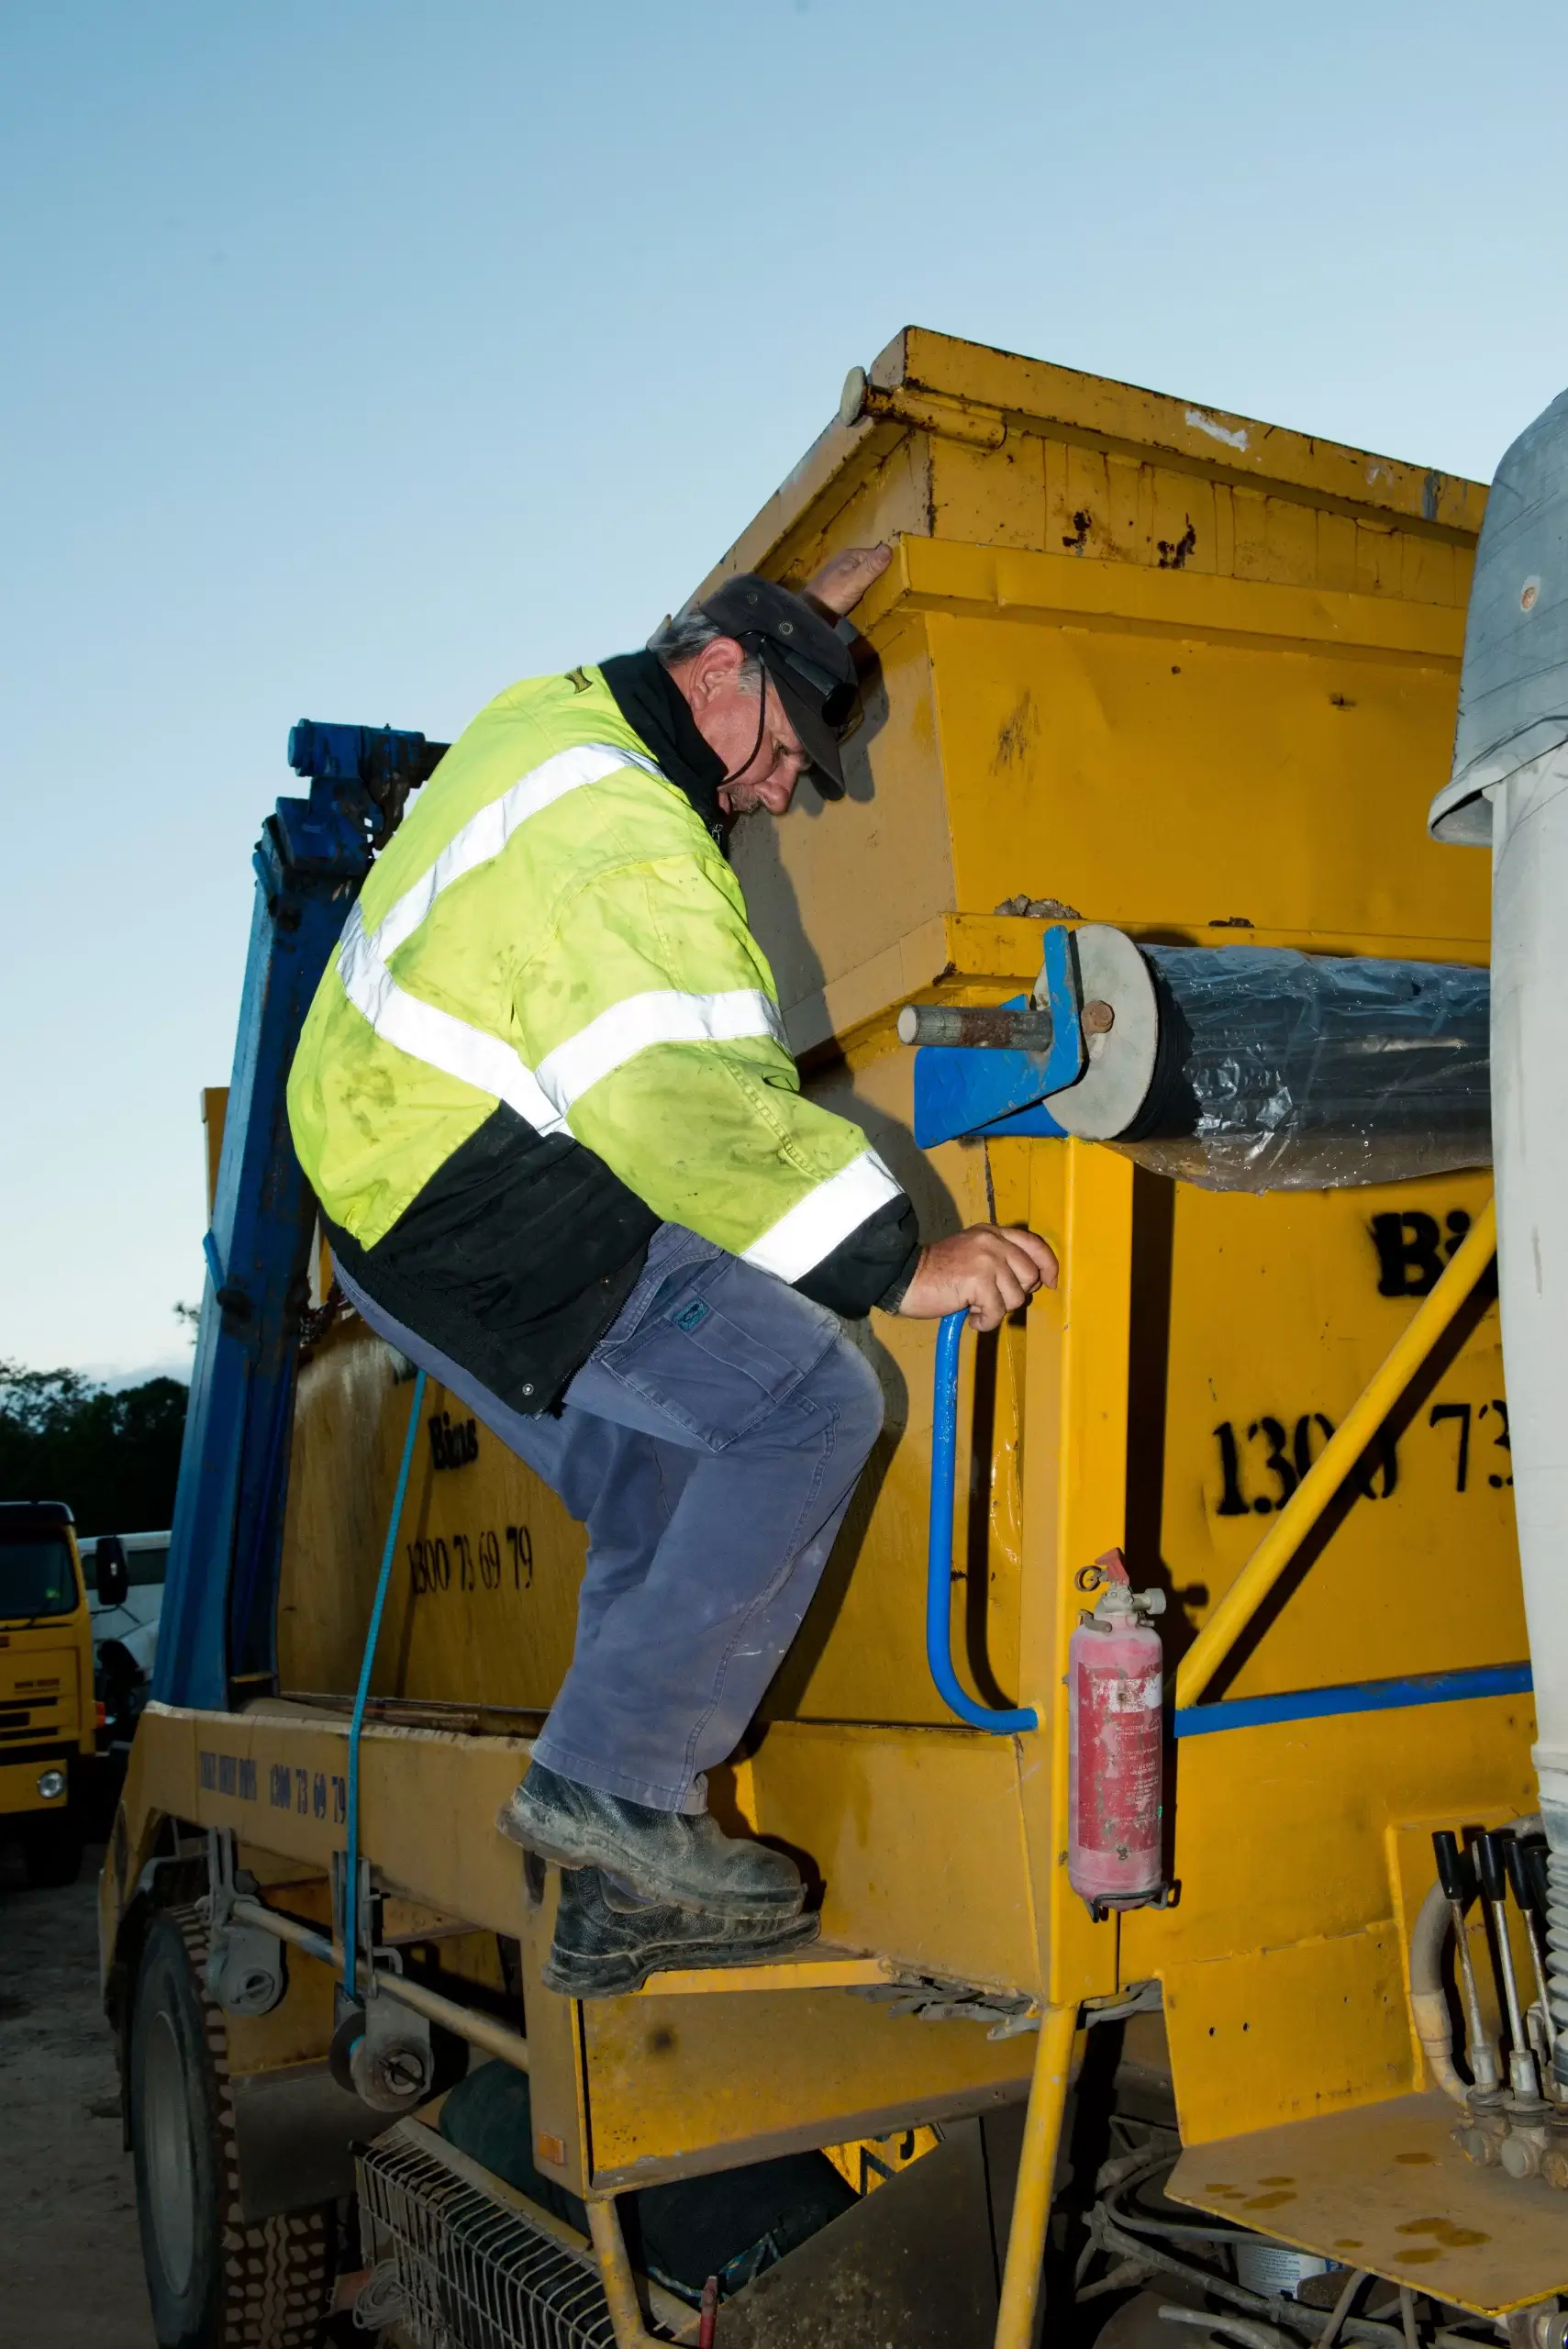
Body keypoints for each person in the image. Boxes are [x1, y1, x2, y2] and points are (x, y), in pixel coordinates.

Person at [285, 546, 1059, 1995]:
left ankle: (617, 1888)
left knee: (665, 1476)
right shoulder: (629, 835)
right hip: (475, 1189)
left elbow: (695, 670)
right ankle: (609, 1787)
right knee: (813, 1400)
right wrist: (903, 1262)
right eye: (780, 752)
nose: (778, 790)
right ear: (711, 677)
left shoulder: (559, 722)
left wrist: (798, 618)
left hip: (386, 1190)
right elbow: (679, 1103)